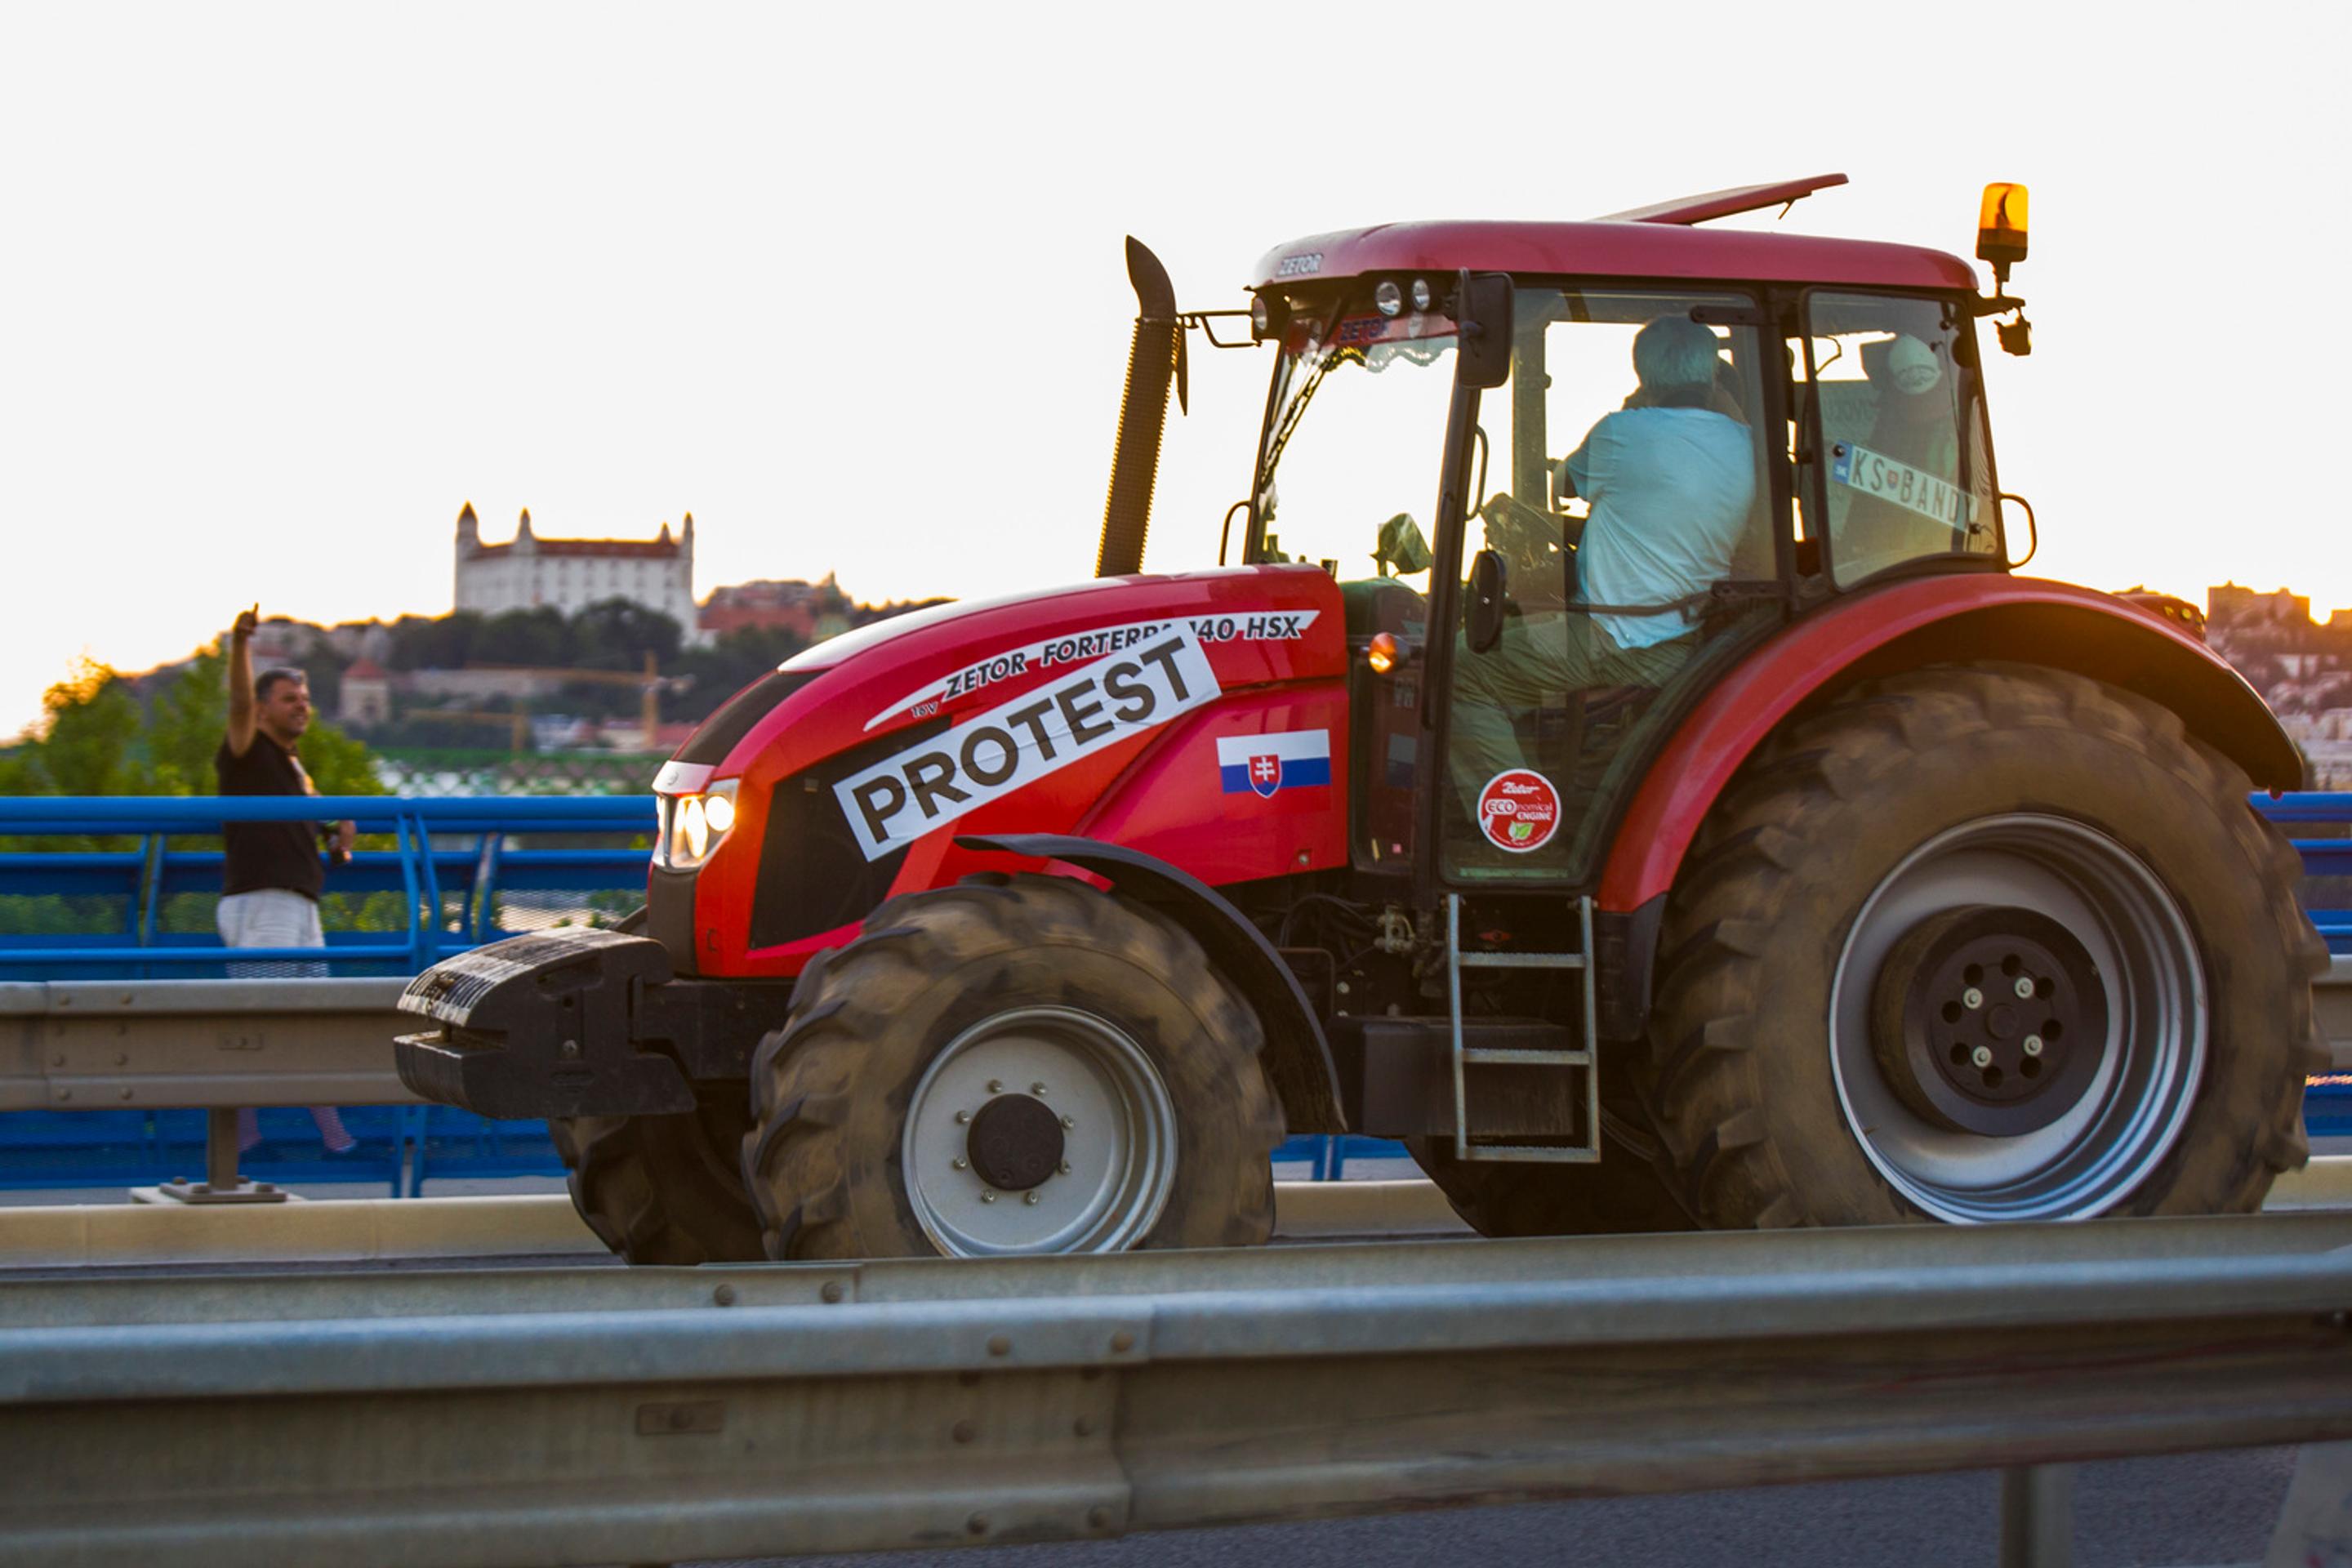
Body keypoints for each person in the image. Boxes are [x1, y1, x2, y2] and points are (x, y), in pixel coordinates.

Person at [1450, 316, 1757, 821]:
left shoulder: (1621, 433)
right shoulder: (1745, 443)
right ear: (1711, 375)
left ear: (1643, 374)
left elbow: (1565, 484)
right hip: (1688, 638)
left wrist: (1632, 408)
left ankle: (1516, 825)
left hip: (1616, 640)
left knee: (1462, 669)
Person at [218, 605, 358, 1156]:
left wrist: (339, 827)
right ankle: (246, 1138)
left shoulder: (292, 766)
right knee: (263, 1019)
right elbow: (235, 703)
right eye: (288, 699)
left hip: (298, 903)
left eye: (304, 699)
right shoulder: (246, 752)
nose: (301, 706)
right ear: (260, 709)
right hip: (263, 899)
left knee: (306, 1020)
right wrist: (239, 646)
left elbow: (326, 815)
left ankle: (331, 1138)